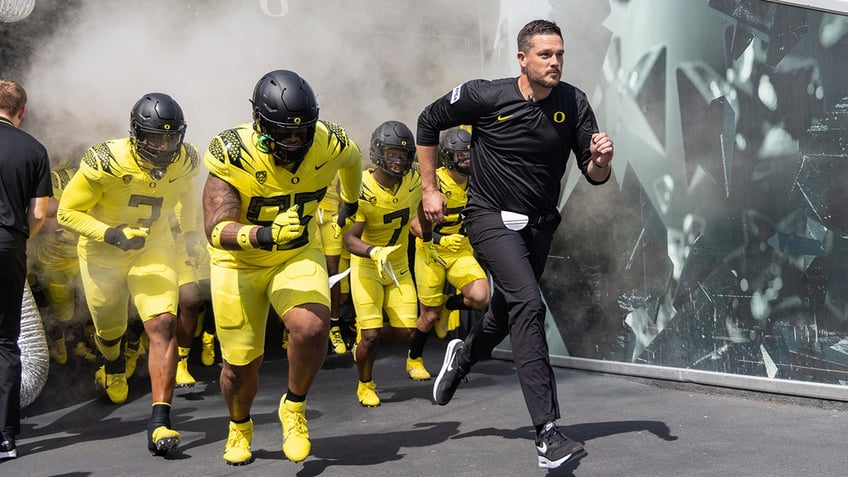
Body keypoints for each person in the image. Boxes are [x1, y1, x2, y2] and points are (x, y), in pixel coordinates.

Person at [417, 19, 614, 470]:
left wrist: (601, 160)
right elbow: (428, 122)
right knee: (528, 304)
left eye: (560, 54)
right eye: (546, 55)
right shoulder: (486, 95)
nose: (556, 62)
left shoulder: (574, 102)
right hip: (488, 217)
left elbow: (594, 173)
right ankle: (547, 433)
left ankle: (462, 357)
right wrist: (429, 189)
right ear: (522, 59)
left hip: (539, 226)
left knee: (506, 313)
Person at [202, 69, 361, 465]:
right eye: (283, 132)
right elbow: (215, 228)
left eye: (301, 131)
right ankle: (239, 425)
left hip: (295, 252)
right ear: (260, 123)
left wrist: (352, 201)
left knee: (312, 326)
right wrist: (263, 235)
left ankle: (294, 407)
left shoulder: (330, 140)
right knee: (240, 368)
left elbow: (353, 159)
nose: (294, 140)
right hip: (238, 262)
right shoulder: (231, 151)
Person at [57, 92, 200, 457]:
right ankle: (113, 364)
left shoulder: (185, 161)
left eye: (170, 137)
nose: (164, 146)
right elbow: (66, 213)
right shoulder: (105, 159)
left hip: (154, 250)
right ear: (137, 134)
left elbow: (185, 197)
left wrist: (188, 237)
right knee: (110, 329)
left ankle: (161, 419)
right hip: (103, 253)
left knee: (163, 323)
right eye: (155, 137)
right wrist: (111, 234)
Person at [343, 120, 443, 406]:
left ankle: (363, 337)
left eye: (402, 155)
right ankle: (366, 383)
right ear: (378, 153)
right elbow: (349, 239)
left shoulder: (413, 180)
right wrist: (373, 252)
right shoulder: (361, 186)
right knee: (372, 336)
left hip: (398, 264)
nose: (398, 161)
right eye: (392, 154)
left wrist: (428, 238)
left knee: (407, 332)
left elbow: (422, 208)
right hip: (368, 266)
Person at [407, 127, 490, 380]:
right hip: (431, 251)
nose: (466, 161)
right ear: (447, 157)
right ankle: (414, 358)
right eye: (460, 157)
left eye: (469, 156)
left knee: (481, 297)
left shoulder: (477, 180)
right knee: (428, 316)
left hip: (461, 250)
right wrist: (441, 238)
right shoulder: (434, 182)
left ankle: (447, 305)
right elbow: (414, 227)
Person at [0, 79, 51, 461]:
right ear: (21, 112)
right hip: (8, 245)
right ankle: (5, 438)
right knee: (5, 340)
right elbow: (38, 213)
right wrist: (21, 238)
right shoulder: (34, 149)